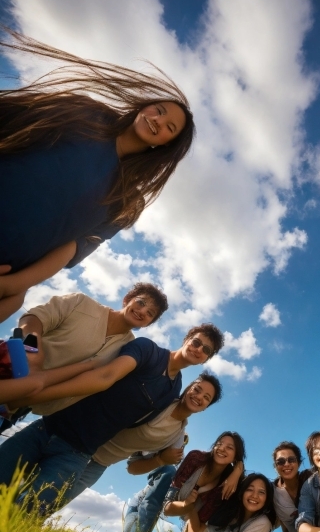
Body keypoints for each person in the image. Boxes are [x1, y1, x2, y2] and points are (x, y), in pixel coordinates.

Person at [0, 29, 194, 320]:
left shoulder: (127, 201)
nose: (158, 120)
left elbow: (71, 249)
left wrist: (14, 286)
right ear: (144, 106)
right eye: (159, 110)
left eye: (170, 127)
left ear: (165, 145)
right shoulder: (87, 114)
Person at [0, 324, 223, 510]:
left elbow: (134, 431)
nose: (198, 349)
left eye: (205, 349)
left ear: (206, 359)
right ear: (186, 339)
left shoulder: (173, 390)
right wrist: (32, 394)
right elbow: (104, 375)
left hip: (79, 452)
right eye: (196, 342)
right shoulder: (148, 350)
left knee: (26, 514)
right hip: (48, 427)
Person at [57, 373, 223, 532]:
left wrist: (160, 459)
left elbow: (133, 467)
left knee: (56, 498)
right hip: (82, 441)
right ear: (188, 387)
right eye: (197, 389)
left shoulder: (177, 438)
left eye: (206, 398)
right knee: (43, 485)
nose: (199, 397)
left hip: (102, 461)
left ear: (205, 407)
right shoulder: (161, 399)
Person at [18, 282, 168, 415]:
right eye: (141, 302)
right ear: (127, 299)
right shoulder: (81, 303)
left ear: (149, 324)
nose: (142, 311)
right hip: (10, 372)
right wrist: (33, 356)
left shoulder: (130, 349)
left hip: (24, 407)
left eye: (150, 313)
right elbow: (33, 319)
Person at [163, 432, 246, 532]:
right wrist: (186, 504)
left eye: (229, 447)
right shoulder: (195, 458)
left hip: (192, 520)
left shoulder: (223, 487)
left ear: (235, 457)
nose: (222, 448)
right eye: (219, 444)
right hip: (167, 500)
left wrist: (237, 471)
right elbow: (166, 509)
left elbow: (195, 530)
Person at [271, 441, 316, 532]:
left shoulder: (311, 478)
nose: (286, 464)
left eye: (291, 460)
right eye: (280, 462)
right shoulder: (273, 492)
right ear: (275, 466)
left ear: (299, 463)